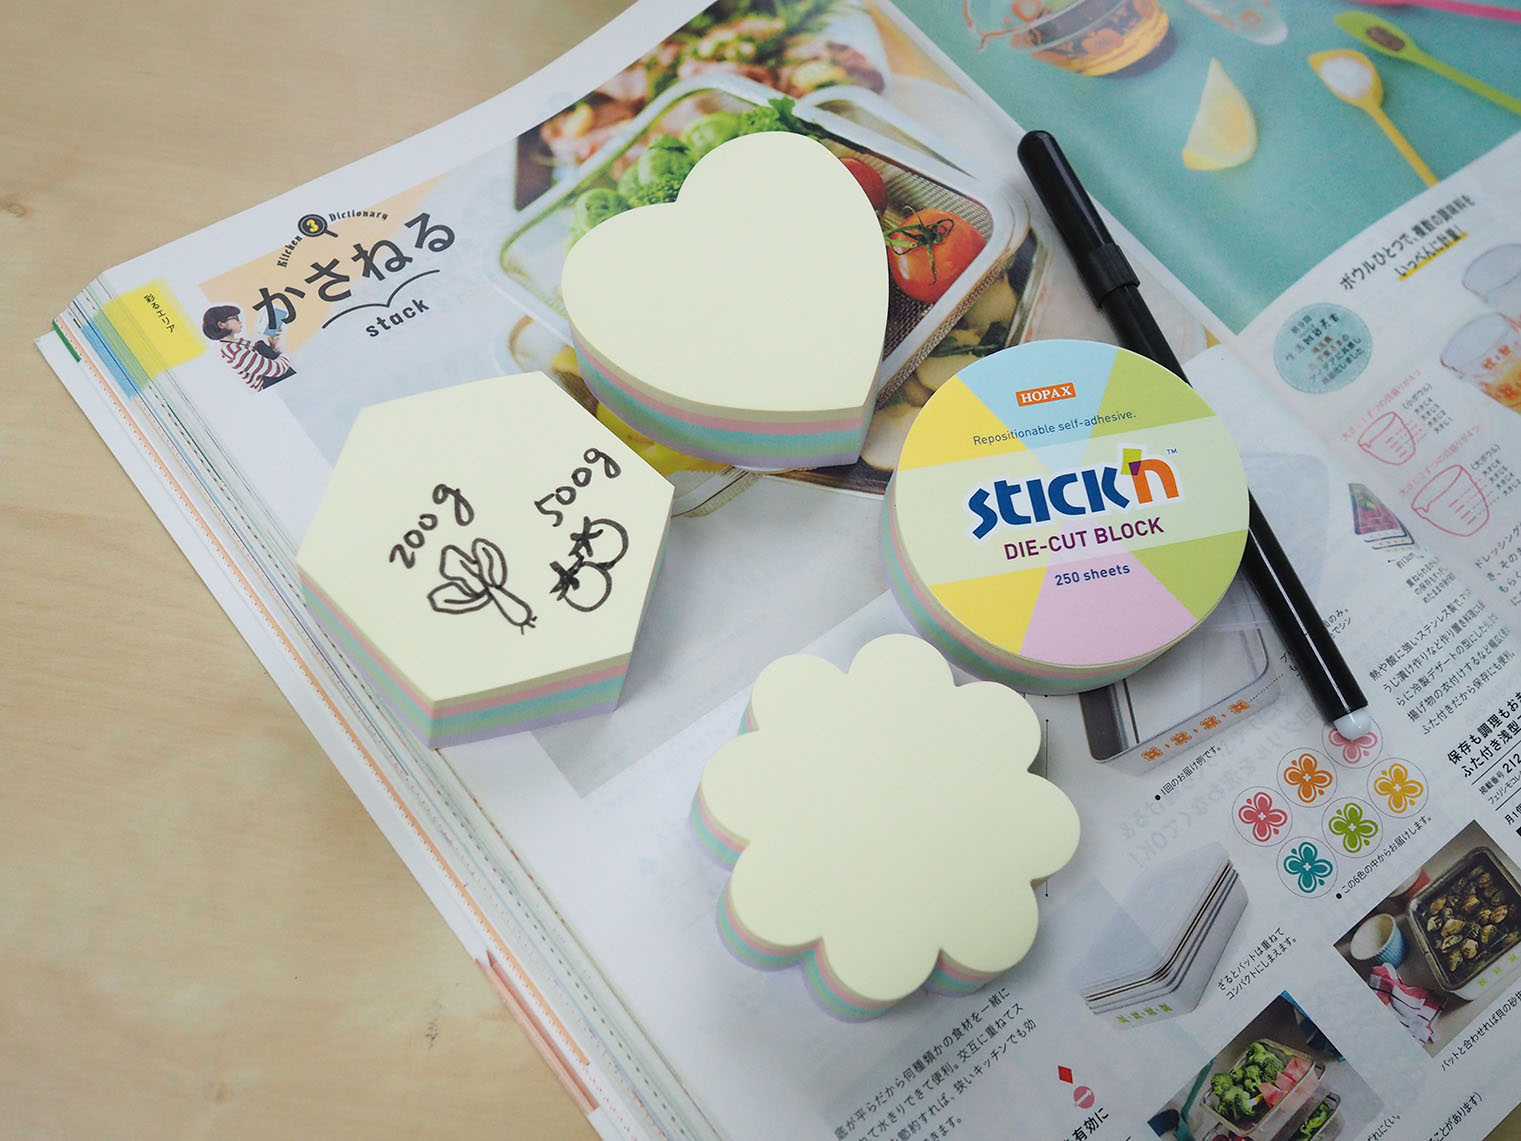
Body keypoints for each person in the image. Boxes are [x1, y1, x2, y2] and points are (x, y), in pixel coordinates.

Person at [201, 304, 296, 391]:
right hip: (276, 387)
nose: (240, 321)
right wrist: (283, 352)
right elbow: (276, 370)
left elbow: (263, 363)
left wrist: (273, 346)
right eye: (236, 318)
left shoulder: (236, 344)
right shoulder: (233, 351)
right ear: (221, 324)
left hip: (280, 382)